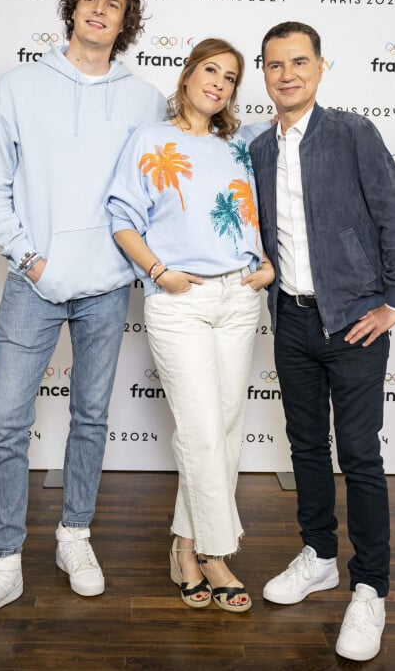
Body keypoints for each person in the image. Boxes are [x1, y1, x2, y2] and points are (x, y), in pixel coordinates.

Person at [0, 0, 166, 635]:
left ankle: (75, 535)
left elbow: (155, 192)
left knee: (92, 416)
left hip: (106, 287)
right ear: (73, 9)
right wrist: (29, 257)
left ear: (127, 22)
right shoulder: (19, 86)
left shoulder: (146, 99)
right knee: (8, 421)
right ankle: (2, 561)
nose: (100, 10)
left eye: (114, 4)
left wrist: (135, 265)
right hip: (33, 284)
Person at [250, 21, 395, 660]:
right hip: (292, 321)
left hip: (353, 320)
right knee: (303, 446)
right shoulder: (258, 149)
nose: (287, 73)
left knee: (359, 454)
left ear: (321, 68)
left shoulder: (353, 133)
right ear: (263, 73)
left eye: (299, 61)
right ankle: (319, 554)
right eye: (274, 64)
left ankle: (371, 588)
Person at [107, 38, 275, 613]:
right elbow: (122, 218)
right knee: (202, 431)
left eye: (230, 78)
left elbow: (269, 208)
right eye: (211, 70)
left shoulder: (241, 145)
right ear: (188, 74)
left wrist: (267, 260)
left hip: (239, 299)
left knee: (224, 431)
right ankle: (217, 553)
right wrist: (158, 271)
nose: (220, 84)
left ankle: (183, 546)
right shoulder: (151, 140)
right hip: (180, 301)